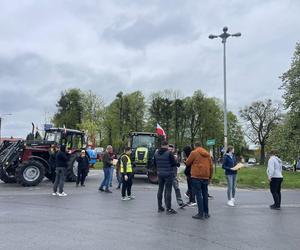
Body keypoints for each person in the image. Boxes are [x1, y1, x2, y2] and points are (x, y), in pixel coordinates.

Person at [186, 142, 213, 219]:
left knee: (198, 195)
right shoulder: (207, 154)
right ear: (201, 146)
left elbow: (188, 163)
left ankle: (200, 214)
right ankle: (206, 213)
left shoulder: (194, 152)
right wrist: (210, 177)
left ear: (195, 146)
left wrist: (185, 161)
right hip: (206, 177)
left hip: (196, 176)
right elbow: (211, 166)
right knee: (205, 194)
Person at [154, 140, 177, 215]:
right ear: (167, 145)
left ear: (161, 145)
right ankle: (169, 208)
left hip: (160, 174)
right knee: (168, 191)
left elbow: (154, 163)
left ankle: (159, 207)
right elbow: (174, 164)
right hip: (168, 174)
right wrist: (176, 160)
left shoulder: (156, 153)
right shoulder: (169, 153)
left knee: (160, 189)